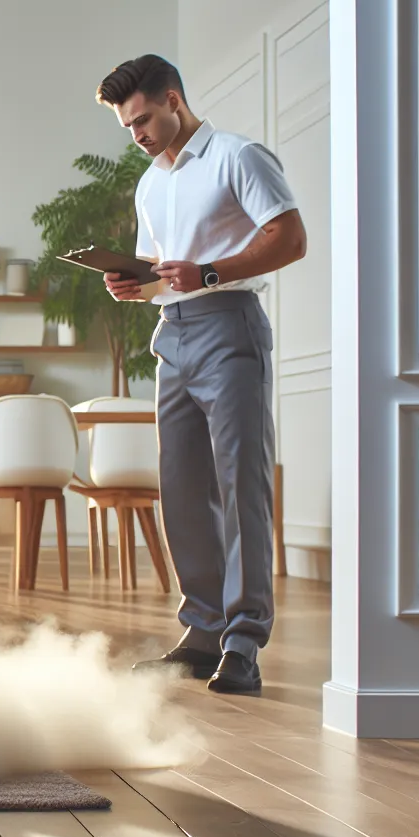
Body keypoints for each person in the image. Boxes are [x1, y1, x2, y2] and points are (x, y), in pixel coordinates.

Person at [95, 55, 308, 695]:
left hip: (229, 324)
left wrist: (210, 272)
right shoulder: (149, 183)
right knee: (183, 486)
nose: (137, 135)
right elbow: (165, 266)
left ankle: (244, 643)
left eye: (143, 120)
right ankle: (204, 629)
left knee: (241, 484)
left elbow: (290, 238)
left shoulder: (238, 157)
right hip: (173, 334)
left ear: (174, 100)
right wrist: (136, 283)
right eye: (127, 127)